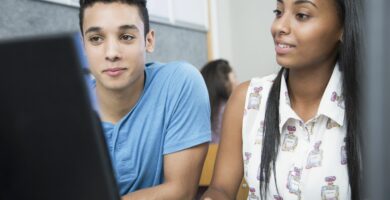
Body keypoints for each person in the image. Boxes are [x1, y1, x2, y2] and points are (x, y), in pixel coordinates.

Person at [202, 0, 362, 199]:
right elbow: (221, 189)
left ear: (343, 28)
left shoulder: (369, 108)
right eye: (278, 12)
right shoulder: (248, 100)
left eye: (301, 15)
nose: (278, 27)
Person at [78, 0, 211, 199]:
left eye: (126, 37)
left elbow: (181, 192)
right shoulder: (65, 107)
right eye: (96, 39)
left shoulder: (179, 83)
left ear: (148, 41)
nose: (112, 53)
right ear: (83, 47)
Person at [200, 59, 238, 143]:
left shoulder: (200, 110)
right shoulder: (228, 109)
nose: (237, 83)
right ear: (225, 81)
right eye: (234, 77)